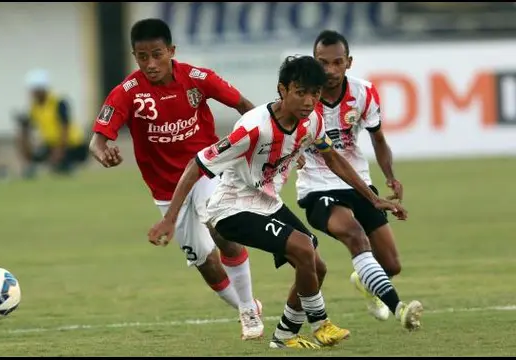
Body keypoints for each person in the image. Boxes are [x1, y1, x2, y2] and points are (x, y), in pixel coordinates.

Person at [148, 55, 411, 349]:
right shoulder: (253, 128)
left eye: (315, 94)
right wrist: (170, 218)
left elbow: (332, 158)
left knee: (316, 265)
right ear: (282, 90)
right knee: (302, 247)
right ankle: (321, 324)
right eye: (301, 92)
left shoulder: (312, 122)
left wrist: (373, 198)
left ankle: (284, 336)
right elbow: (197, 165)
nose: (309, 101)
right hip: (231, 208)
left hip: (267, 202)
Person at [90, 18, 263, 340]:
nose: (151, 64)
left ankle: (248, 312)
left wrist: (265, 142)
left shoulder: (198, 79)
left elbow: (246, 108)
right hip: (166, 190)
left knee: (220, 225)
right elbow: (97, 140)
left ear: (171, 51)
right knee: (203, 260)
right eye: (143, 57)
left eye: (157, 54)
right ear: (134, 56)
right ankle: (246, 303)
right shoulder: (127, 92)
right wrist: (103, 153)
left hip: (207, 170)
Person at [294, 30, 422, 327]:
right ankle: (399, 308)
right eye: (322, 63)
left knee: (390, 264)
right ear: (314, 62)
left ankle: (366, 280)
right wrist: (293, 153)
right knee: (354, 234)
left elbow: (378, 138)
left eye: (337, 62)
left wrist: (390, 176)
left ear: (348, 62)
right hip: (317, 185)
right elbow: (282, 131)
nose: (330, 71)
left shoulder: (363, 93)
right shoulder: (301, 96)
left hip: (358, 183)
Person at [17, 69, 89, 178]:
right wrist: (24, 142)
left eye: (35, 90)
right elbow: (27, 126)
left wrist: (59, 152)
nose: (32, 93)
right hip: (50, 145)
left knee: (61, 165)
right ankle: (33, 166)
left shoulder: (59, 102)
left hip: (72, 145)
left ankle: (66, 165)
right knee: (38, 154)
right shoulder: (34, 106)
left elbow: (65, 128)